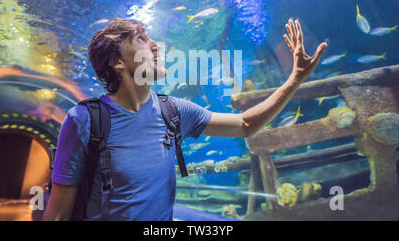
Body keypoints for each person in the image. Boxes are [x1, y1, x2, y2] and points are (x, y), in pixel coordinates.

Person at [42, 18, 327, 221]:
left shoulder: (174, 112)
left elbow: (245, 124)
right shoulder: (84, 120)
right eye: (142, 39)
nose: (155, 45)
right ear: (117, 62)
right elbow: (57, 214)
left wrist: (295, 79)